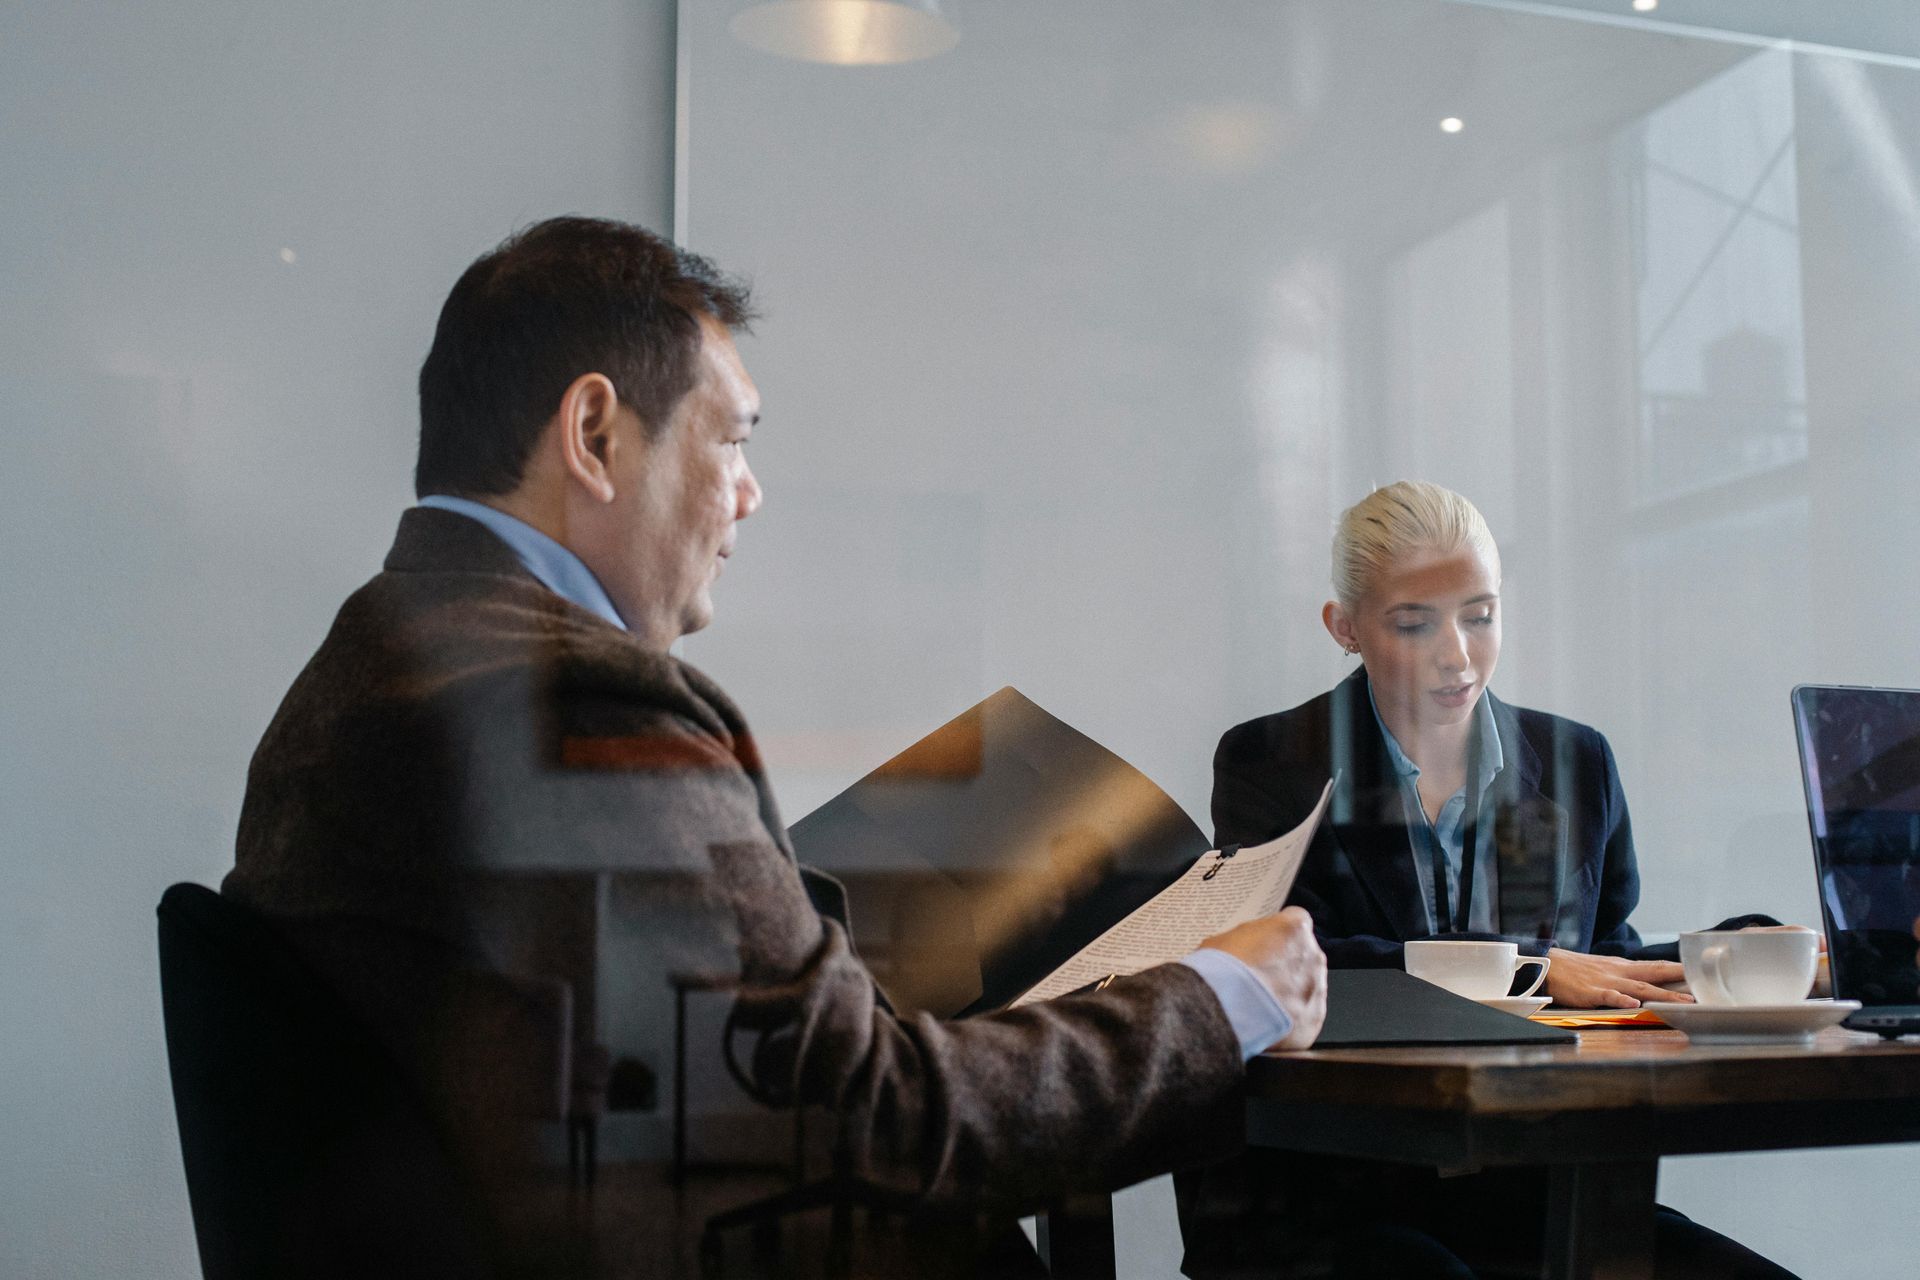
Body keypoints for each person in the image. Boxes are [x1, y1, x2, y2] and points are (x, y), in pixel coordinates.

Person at [222, 216, 1328, 1279]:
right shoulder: (580, 702)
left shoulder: (381, 656)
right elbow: (872, 1125)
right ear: (596, 435)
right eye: (734, 439)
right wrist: (1219, 993)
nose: (751, 494)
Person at [1176, 480, 1797, 1279]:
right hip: (1327, 1190)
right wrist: (1531, 968)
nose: (1457, 655)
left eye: (1480, 614)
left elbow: (1604, 963)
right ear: (1346, 627)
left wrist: (1728, 957)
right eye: (1415, 623)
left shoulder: (1576, 762)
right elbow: (1300, 964)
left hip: (1523, 1178)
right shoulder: (1273, 761)